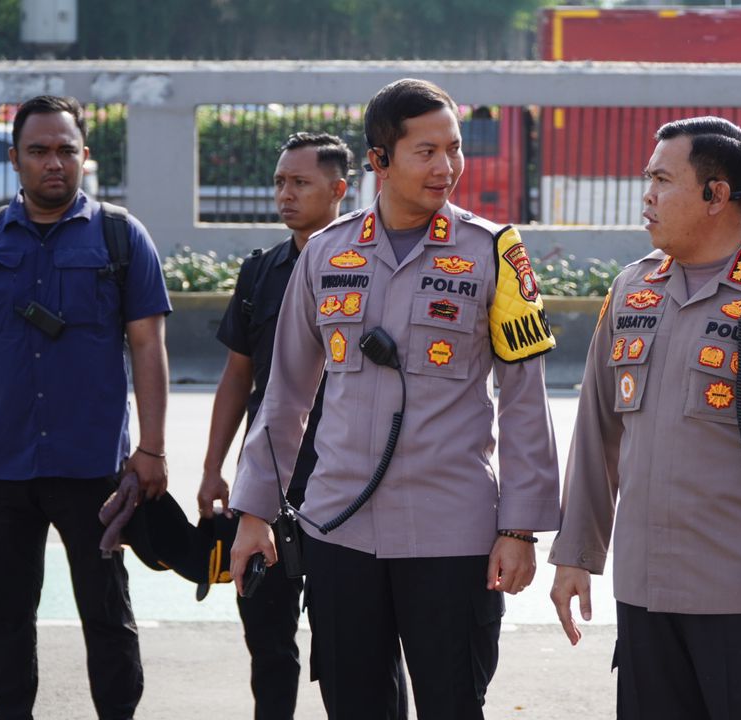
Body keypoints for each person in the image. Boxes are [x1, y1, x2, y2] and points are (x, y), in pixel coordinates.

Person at [226, 79, 560, 719]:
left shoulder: (495, 253)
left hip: (452, 536)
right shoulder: (326, 253)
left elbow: (525, 400)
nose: (447, 168)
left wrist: (519, 528)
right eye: (426, 152)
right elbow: (285, 395)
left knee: (453, 704)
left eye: (454, 149)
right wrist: (254, 512)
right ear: (380, 159)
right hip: (338, 530)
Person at [549, 116, 741, 720]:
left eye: (662, 180)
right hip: (642, 592)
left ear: (716, 194)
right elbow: (596, 433)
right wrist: (576, 553)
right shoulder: (632, 288)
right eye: (648, 179)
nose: (647, 196)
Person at [0, 95, 171, 719]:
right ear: (15, 159)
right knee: (6, 613)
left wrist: (151, 448)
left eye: (66, 150)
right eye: (38, 151)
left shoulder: (121, 236)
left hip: (94, 468)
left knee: (106, 611)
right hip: (6, 465)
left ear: (85, 156)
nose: (53, 162)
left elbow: (148, 345)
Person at [197, 132, 409, 719]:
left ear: (339, 189)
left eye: (300, 183)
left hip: (350, 486)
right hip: (271, 485)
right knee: (267, 639)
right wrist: (215, 470)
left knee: (363, 649)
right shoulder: (260, 272)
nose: (285, 195)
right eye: (280, 183)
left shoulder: (377, 267)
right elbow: (238, 377)